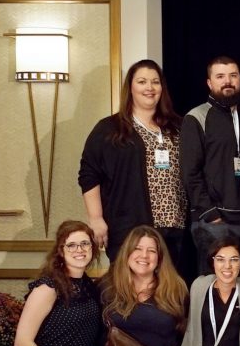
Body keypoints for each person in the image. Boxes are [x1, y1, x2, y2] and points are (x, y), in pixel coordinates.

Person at [79, 60, 188, 263]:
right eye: (142, 81)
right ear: (130, 87)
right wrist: (96, 218)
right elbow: (89, 174)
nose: (149, 87)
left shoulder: (179, 126)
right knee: (131, 290)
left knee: (170, 291)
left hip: (175, 229)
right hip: (130, 228)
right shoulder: (110, 128)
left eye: (155, 82)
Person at [181, 56, 240, 276]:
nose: (228, 81)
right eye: (220, 76)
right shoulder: (196, 117)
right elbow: (190, 173)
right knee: (213, 287)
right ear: (209, 83)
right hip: (213, 223)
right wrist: (211, 214)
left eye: (233, 76)